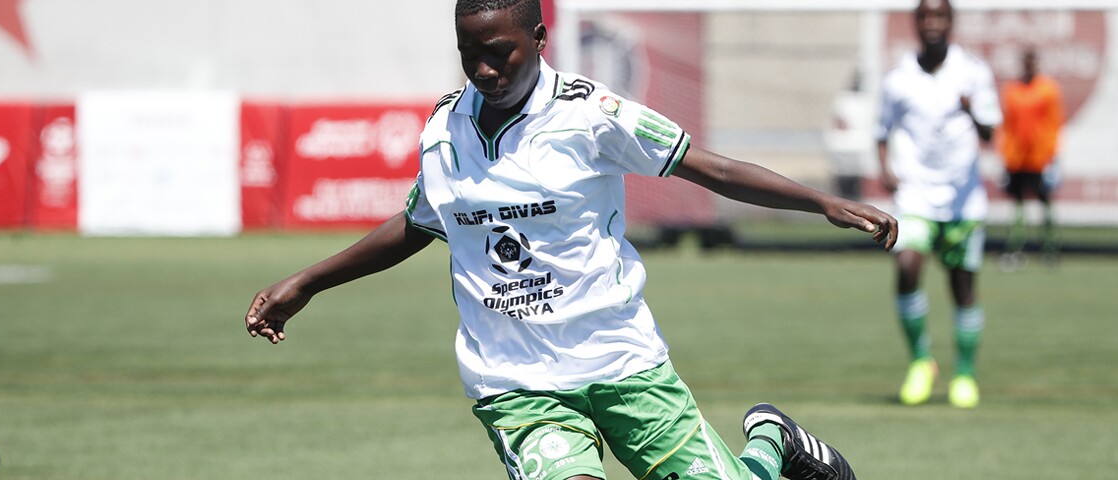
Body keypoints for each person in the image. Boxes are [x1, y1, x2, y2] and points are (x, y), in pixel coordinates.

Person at [244, 1, 896, 479]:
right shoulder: (445, 131)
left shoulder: (593, 116)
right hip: (517, 382)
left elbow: (712, 167)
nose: (486, 69)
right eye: (471, 54)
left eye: (501, 52)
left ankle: (770, 445)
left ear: (538, 38)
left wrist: (823, 203)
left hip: (622, 361)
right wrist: (305, 281)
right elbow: (418, 223)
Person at [876, 0, 1000, 409]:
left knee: (962, 286)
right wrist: (885, 169)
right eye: (925, 16)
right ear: (915, 23)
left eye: (939, 16)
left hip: (963, 200)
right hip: (915, 195)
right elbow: (882, 130)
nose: (932, 24)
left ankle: (964, 373)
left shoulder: (974, 72)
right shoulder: (898, 79)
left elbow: (989, 132)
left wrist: (970, 110)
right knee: (907, 266)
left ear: (951, 22)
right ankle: (920, 362)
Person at [997, 48, 1064, 269]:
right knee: (1017, 205)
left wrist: (1052, 154)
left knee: (1044, 203)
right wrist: (1005, 153)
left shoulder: (1047, 89)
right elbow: (1007, 125)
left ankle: (1050, 249)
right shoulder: (1013, 90)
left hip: (1040, 157)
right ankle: (1015, 249)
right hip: (1017, 158)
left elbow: (1054, 123)